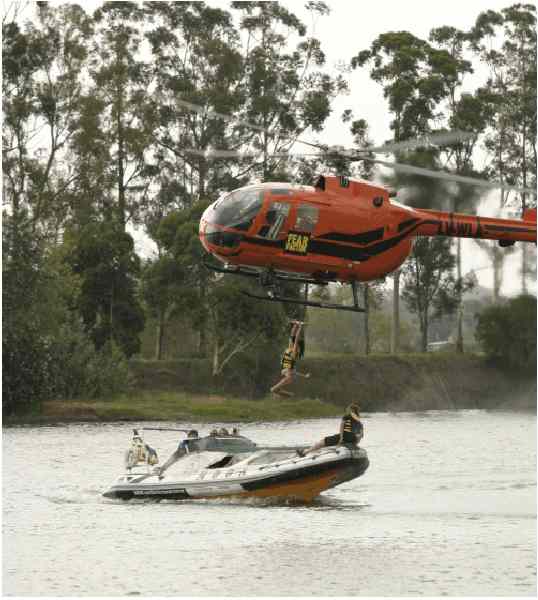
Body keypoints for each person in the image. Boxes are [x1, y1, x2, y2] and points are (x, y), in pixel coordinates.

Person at [297, 403, 363, 456]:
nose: (346, 409)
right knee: (336, 443)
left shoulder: (346, 416)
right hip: (353, 439)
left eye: (347, 408)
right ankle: (338, 450)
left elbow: (341, 428)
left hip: (345, 436)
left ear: (351, 409)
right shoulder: (359, 420)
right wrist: (355, 443)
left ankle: (305, 452)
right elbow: (361, 434)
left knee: (323, 441)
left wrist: (341, 438)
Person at [270, 320, 310, 396]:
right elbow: (294, 337)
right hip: (286, 370)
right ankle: (276, 390)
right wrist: (298, 326)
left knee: (289, 379)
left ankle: (278, 391)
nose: (297, 347)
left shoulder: (290, 350)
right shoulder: (293, 352)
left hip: (285, 369)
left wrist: (297, 325)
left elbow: (293, 337)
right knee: (289, 379)